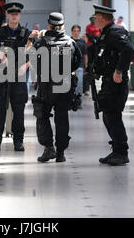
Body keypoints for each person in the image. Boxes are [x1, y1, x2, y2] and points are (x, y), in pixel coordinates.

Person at [0, 2, 37, 152]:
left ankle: (18, 141)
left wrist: (24, 67)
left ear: (20, 15)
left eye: (16, 13)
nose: (14, 15)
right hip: (1, 76)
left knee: (18, 111)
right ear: (7, 15)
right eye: (11, 13)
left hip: (18, 78)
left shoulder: (26, 33)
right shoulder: (0, 32)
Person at [32, 12, 82, 163]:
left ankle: (48, 149)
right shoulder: (71, 42)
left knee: (42, 115)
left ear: (49, 25)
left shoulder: (40, 43)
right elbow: (76, 63)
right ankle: (60, 152)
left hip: (46, 86)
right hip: (64, 86)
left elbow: (33, 61)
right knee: (62, 118)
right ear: (62, 26)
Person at [92, 5, 134, 166]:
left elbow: (128, 50)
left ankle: (122, 152)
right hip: (108, 81)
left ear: (102, 17)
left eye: (96, 17)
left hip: (116, 82)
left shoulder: (116, 32)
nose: (94, 20)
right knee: (108, 115)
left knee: (113, 116)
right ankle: (116, 149)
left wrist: (119, 71)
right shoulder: (107, 33)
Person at [83, 16, 100, 96]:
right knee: (89, 66)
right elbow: (87, 34)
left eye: (94, 19)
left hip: (97, 46)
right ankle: (87, 88)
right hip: (90, 45)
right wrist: (91, 39)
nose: (93, 20)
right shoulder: (88, 27)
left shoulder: (98, 26)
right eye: (92, 19)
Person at [71, 25, 88, 99]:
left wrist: (86, 65)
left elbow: (85, 54)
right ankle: (70, 99)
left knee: (79, 83)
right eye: (74, 31)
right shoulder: (69, 41)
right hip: (70, 66)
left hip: (79, 66)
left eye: (77, 31)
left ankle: (78, 100)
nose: (76, 32)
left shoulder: (82, 41)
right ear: (72, 32)